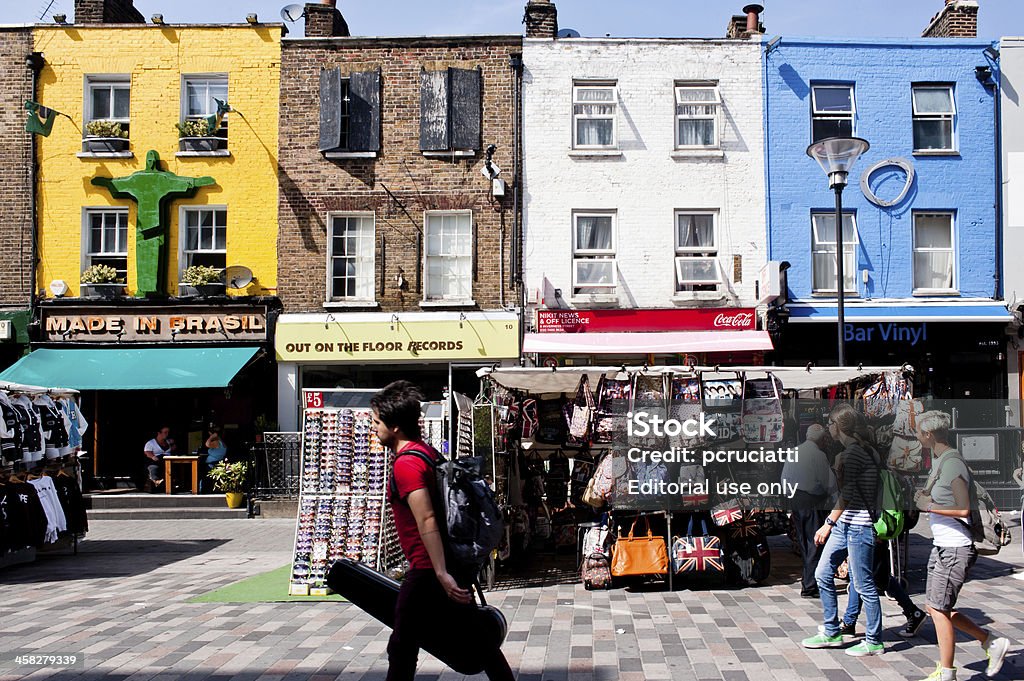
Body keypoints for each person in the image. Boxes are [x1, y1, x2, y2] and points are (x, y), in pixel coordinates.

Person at [373, 380, 514, 681]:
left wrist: (441, 574)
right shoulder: (426, 451)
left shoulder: (407, 464)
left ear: (395, 426)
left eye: (377, 422)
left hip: (428, 569)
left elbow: (427, 520)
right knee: (475, 637)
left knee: (402, 645)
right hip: (443, 564)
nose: (374, 428)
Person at [912, 411, 1010, 681]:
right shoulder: (941, 461)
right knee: (935, 607)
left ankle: (947, 673)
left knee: (939, 609)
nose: (916, 436)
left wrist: (929, 506)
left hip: (955, 547)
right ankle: (989, 641)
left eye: (919, 432)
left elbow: (963, 509)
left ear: (929, 435)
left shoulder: (953, 464)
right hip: (943, 546)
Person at [802, 403, 884, 657]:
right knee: (822, 573)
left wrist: (828, 523)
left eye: (830, 424)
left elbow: (847, 494)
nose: (828, 428)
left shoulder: (854, 453)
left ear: (838, 426)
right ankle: (831, 631)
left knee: (863, 584)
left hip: (858, 525)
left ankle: (873, 640)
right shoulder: (853, 452)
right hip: (846, 523)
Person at [783, 423, 837, 598]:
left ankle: (808, 582)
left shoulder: (794, 452)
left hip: (797, 501)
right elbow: (829, 484)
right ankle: (810, 585)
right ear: (821, 439)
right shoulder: (818, 455)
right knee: (815, 543)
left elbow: (784, 479)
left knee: (804, 542)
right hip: (813, 502)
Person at [838, 535, 927, 639]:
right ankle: (913, 612)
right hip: (867, 533)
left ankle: (850, 623)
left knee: (862, 576)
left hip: (871, 533)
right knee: (875, 578)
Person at [143, 426, 175, 492]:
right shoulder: (151, 443)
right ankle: (156, 482)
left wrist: (172, 443)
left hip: (169, 460)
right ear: (159, 433)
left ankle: (172, 483)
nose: (167, 434)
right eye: (165, 432)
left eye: (168, 432)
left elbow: (174, 449)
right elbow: (147, 452)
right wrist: (153, 457)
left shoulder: (168, 442)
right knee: (153, 467)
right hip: (157, 460)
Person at [201, 426, 227, 494]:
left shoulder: (217, 443)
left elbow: (207, 444)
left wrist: (211, 437)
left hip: (211, 465)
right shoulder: (222, 442)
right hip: (215, 464)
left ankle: (203, 491)